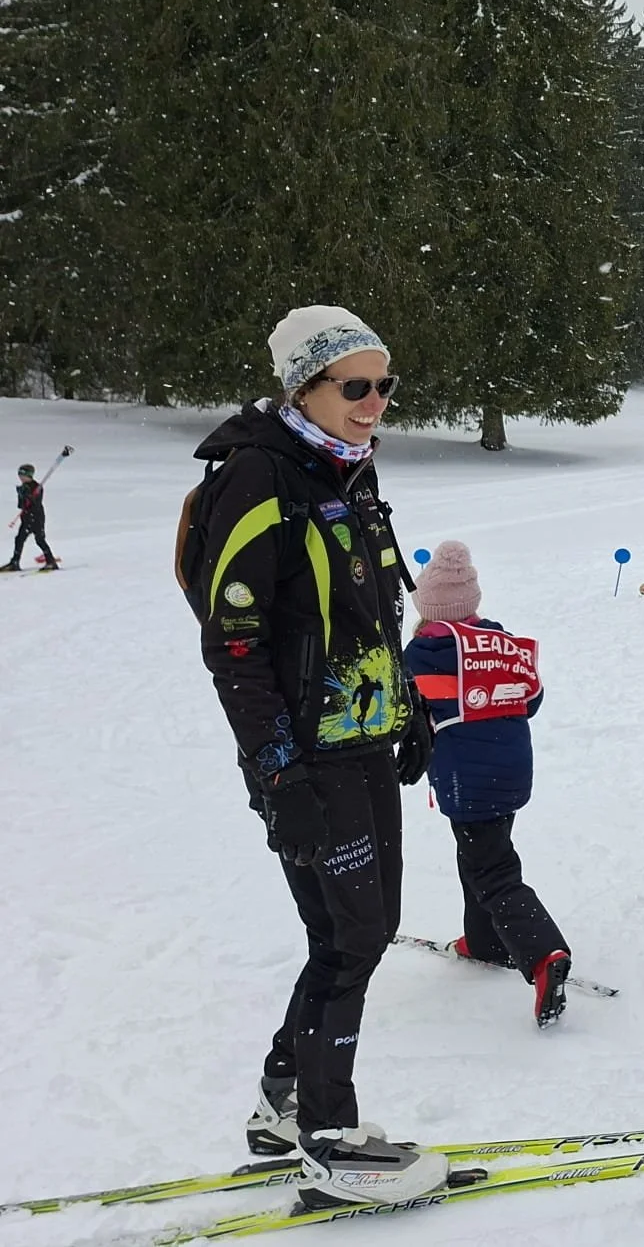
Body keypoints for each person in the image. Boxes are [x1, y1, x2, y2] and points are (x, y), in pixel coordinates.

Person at [188, 305, 445, 1204]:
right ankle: (331, 1141)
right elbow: (236, 646)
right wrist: (275, 770)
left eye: (385, 385)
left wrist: (408, 711)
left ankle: (281, 1106)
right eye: (356, 386)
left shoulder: (346, 469)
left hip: (364, 739)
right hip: (308, 756)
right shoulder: (261, 477)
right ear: (304, 386)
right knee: (353, 939)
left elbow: (372, 610)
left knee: (348, 933)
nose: (375, 403)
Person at [403, 541, 570, 1028]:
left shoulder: (424, 652)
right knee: (480, 854)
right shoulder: (501, 642)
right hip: (512, 770)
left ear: (427, 607)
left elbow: (405, 714)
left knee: (492, 869)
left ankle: (544, 955)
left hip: (465, 781)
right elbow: (531, 699)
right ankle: (484, 941)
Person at [5, 461, 56, 570]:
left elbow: (37, 504)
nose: (21, 478)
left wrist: (31, 498)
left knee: (39, 539)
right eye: (20, 475)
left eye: (23, 475)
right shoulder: (23, 487)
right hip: (27, 517)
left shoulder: (37, 487)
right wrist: (22, 495)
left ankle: (50, 561)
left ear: (30, 475)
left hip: (36, 517)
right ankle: (15, 562)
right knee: (19, 539)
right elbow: (21, 505)